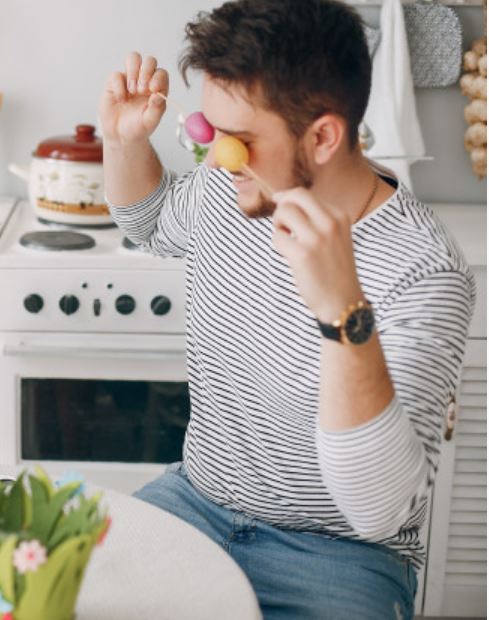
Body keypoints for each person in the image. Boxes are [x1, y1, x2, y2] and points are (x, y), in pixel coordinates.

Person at [99, 1, 475, 617]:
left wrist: (341, 311)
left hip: (338, 558)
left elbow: (379, 508)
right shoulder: (233, 185)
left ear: (323, 135)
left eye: (240, 140)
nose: (215, 154)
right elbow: (154, 223)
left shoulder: (425, 269)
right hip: (195, 500)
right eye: (212, 128)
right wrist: (122, 143)